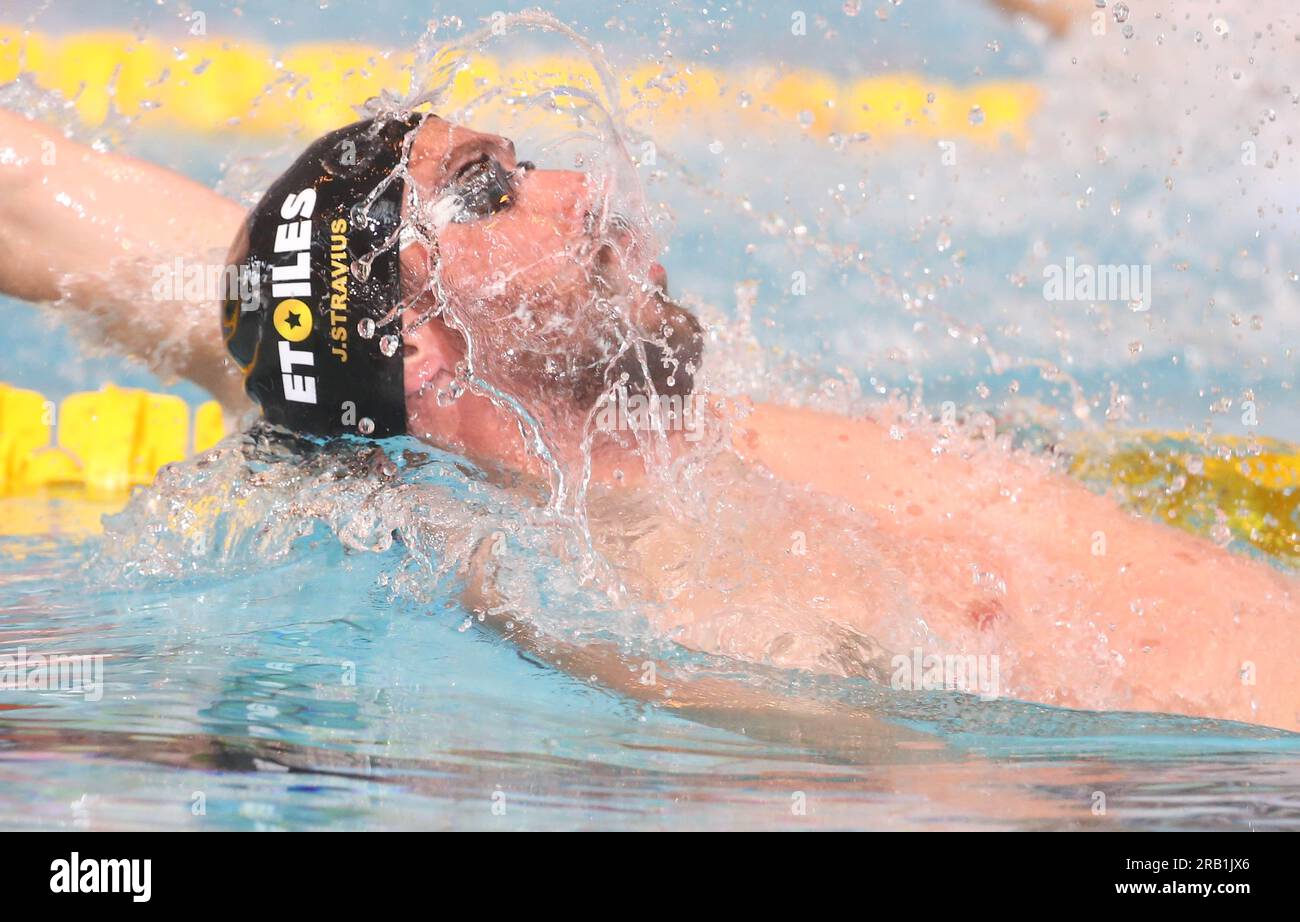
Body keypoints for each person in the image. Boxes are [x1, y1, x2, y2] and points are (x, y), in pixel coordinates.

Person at [1, 106, 1296, 734]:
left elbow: (37, 194)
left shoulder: (322, 368)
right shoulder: (689, 604)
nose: (581, 186)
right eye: (493, 190)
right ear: (428, 357)